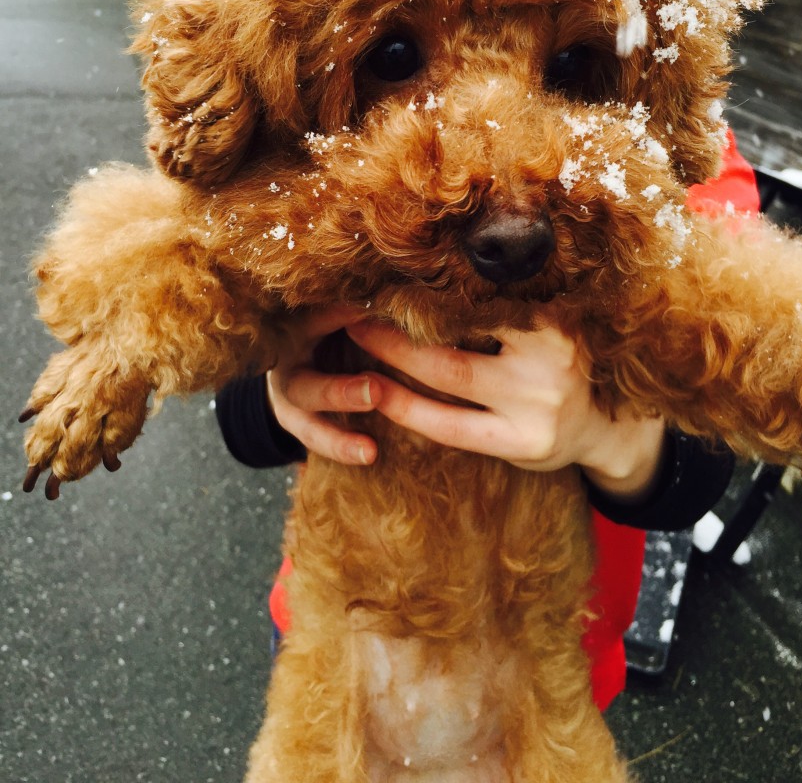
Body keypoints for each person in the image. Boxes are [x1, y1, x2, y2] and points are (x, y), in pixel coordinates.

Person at [215, 129, 760, 710]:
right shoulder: (323, 139)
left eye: (565, 80)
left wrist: (614, 437)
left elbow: (716, 425)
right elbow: (235, 403)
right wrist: (274, 383)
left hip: (547, 663)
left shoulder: (683, 151)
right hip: (336, 628)